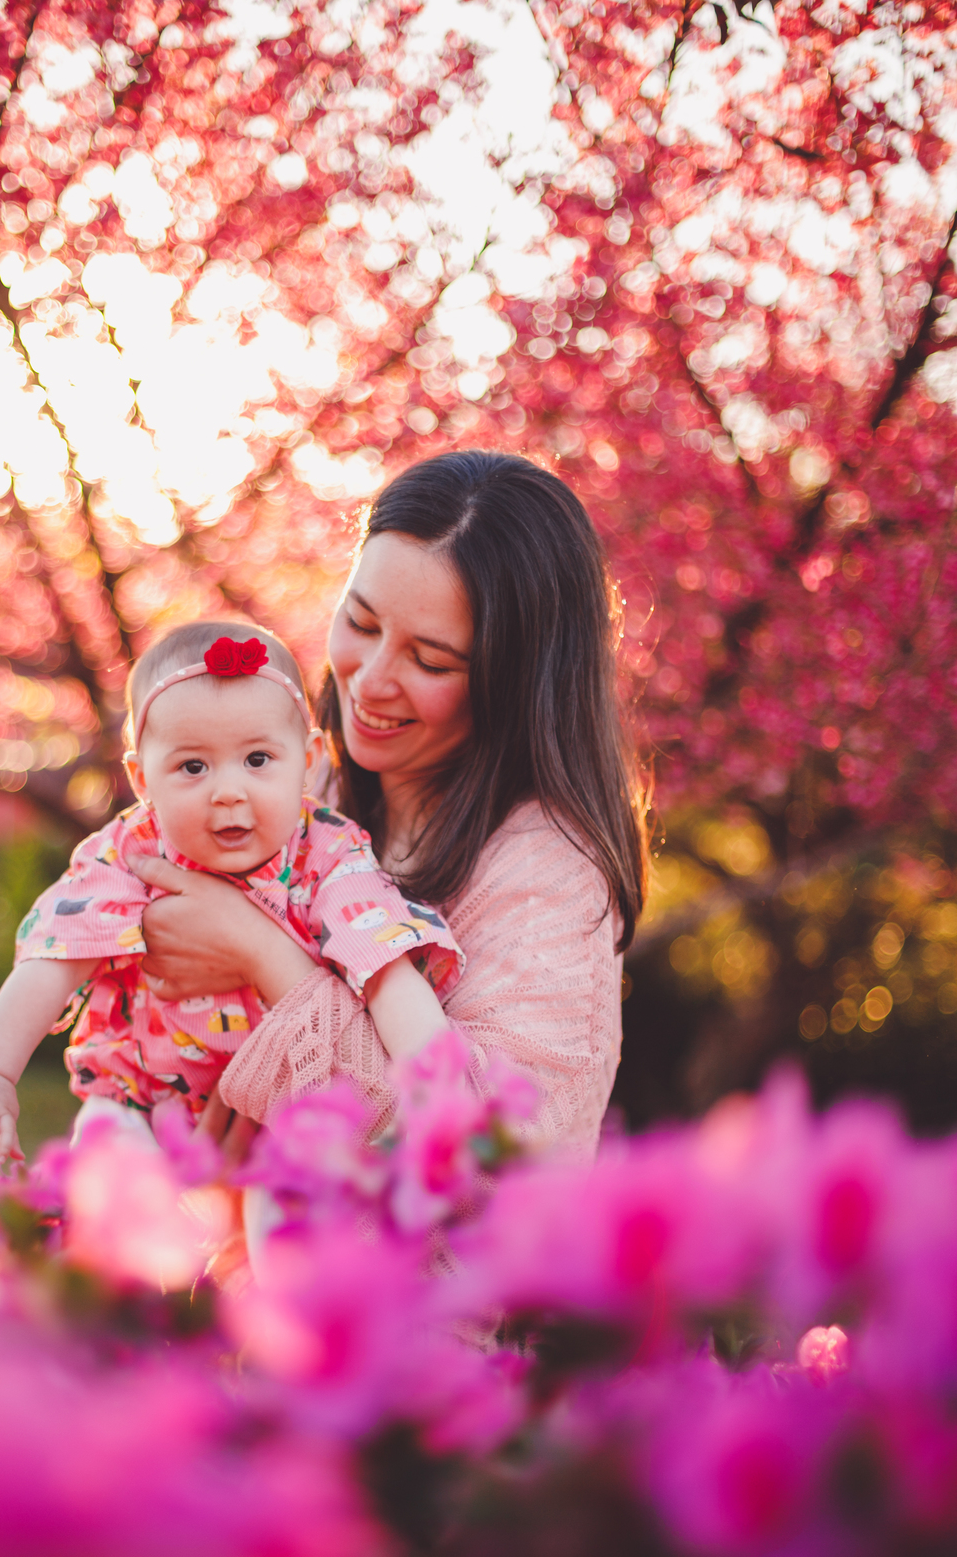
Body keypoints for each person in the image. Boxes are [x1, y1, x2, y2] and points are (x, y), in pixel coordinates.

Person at [128, 451, 649, 1158]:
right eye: (363, 624)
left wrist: (263, 957)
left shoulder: (546, 877)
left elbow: (493, 1163)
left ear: (516, 680)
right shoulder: (314, 797)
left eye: (430, 660)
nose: (369, 683)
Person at [0, 621, 463, 1162]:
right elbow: (55, 957)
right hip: (141, 1098)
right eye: (192, 766)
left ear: (307, 759)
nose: (228, 792)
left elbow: (385, 969)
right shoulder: (132, 852)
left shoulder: (326, 855)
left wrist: (436, 1088)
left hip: (275, 1107)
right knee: (110, 1175)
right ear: (142, 780)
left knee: (288, 1214)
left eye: (257, 760)